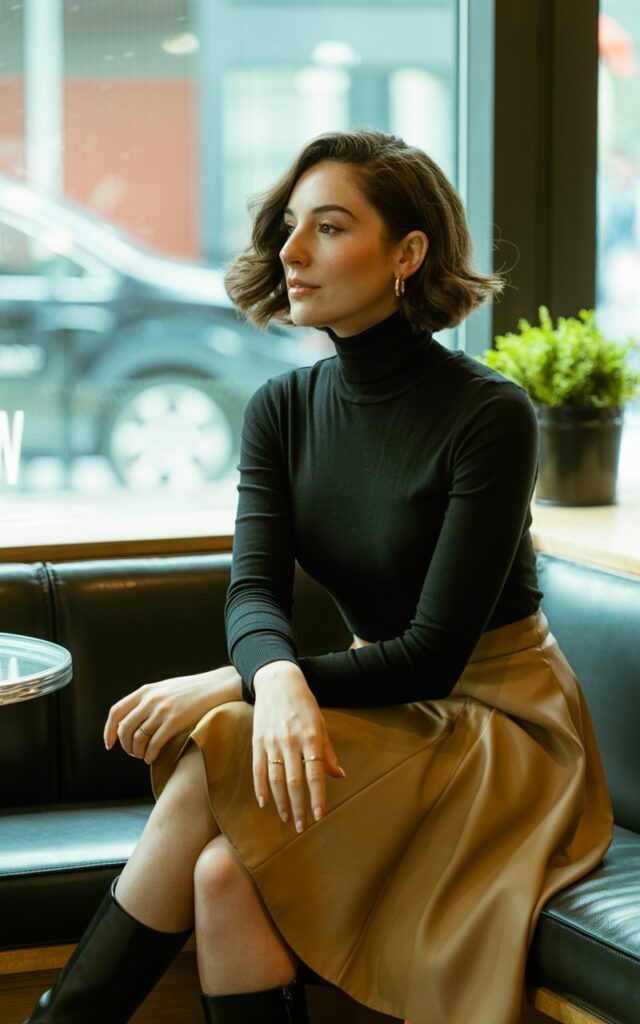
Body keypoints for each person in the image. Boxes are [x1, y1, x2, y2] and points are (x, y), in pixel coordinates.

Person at [23, 130, 613, 1024]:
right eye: (289, 227)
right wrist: (277, 676)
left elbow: (434, 656)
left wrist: (254, 681)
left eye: (328, 228)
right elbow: (252, 593)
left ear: (409, 253)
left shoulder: (490, 413)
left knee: (217, 742)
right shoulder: (281, 409)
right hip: (382, 707)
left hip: (498, 721)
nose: (291, 252)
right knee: (223, 875)